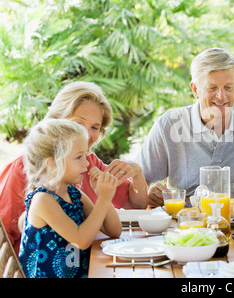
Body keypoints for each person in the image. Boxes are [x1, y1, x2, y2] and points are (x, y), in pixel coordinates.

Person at [0, 81, 149, 255]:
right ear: (57, 121)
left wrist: (136, 173)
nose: (86, 134)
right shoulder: (26, 168)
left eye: (95, 127)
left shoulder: (88, 164)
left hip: (81, 265)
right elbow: (4, 236)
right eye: (78, 123)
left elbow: (133, 205)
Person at [135, 48, 234, 206]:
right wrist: (149, 194)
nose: (222, 96)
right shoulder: (169, 124)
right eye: (212, 88)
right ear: (195, 90)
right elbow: (137, 180)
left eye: (228, 87)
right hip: (187, 225)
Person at [18, 119, 122, 278]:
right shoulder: (42, 200)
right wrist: (102, 199)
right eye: (79, 157)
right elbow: (81, 240)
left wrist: (103, 198)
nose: (87, 163)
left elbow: (114, 231)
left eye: (85, 155)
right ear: (52, 164)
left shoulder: (74, 195)